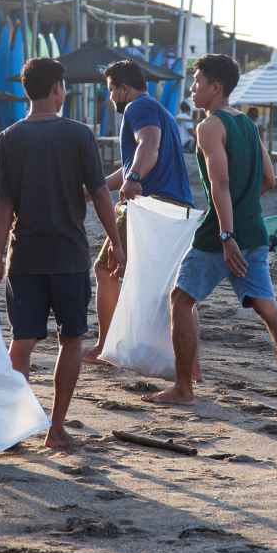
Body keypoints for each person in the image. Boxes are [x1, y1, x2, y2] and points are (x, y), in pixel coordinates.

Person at [143, 54, 277, 418]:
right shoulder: (248, 125)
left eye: (197, 83)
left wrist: (225, 233)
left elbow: (220, 183)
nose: (192, 89)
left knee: (180, 299)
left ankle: (183, 388)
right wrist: (242, 211)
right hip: (253, 226)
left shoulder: (210, 127)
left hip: (221, 232)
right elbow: (269, 179)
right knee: (268, 308)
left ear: (215, 88)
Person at [0, 57, 125, 450]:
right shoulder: (78, 135)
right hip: (68, 255)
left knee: (23, 341)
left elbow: (3, 204)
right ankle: (55, 428)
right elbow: (100, 194)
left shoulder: (9, 137)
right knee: (71, 339)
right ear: (58, 89)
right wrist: (116, 241)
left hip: (24, 255)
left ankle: (14, 427)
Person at [85, 59, 193, 364]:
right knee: (172, 287)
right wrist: (97, 188)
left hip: (151, 204)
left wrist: (134, 179)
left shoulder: (138, 108)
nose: (110, 98)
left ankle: (104, 347)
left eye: (110, 91)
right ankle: (190, 365)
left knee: (105, 270)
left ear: (123, 88)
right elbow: (136, 158)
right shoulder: (159, 109)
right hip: (179, 206)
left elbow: (149, 144)